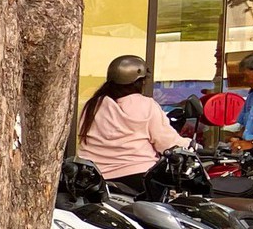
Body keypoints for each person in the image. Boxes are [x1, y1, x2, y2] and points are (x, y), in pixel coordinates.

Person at [77, 54, 185, 193]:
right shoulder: (146, 105)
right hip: (138, 178)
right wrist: (190, 145)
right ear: (139, 81)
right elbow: (167, 143)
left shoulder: (92, 105)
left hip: (94, 179)